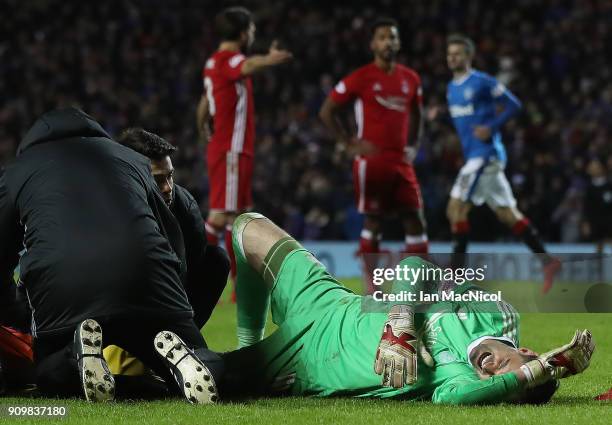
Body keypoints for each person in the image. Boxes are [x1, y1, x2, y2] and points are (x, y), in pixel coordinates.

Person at [221, 212, 595, 404]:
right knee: (246, 226)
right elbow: (415, 269)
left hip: (309, 361)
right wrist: (400, 325)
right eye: (508, 370)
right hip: (332, 301)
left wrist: (531, 374)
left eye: (496, 386)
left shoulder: (459, 380)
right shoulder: (498, 313)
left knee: (195, 374)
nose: (492, 374)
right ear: (524, 350)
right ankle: (245, 340)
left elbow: (456, 399)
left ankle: (243, 356)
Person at [0, 108, 223, 404]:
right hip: (148, 283)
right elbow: (169, 234)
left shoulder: (17, 171)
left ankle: (75, 357)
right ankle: (180, 359)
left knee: (47, 376)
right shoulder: (132, 160)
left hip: (67, 293)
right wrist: (174, 305)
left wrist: (18, 315)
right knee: (201, 357)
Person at [319, 18, 428, 294]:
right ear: (373, 44)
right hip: (372, 162)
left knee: (415, 218)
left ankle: (418, 288)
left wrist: (413, 145)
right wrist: (348, 143)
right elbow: (327, 110)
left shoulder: (410, 79)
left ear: (399, 42)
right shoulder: (362, 77)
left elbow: (418, 114)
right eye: (382, 37)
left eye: (392, 37)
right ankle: (372, 288)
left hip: (401, 161)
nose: (388, 42)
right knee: (374, 221)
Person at [444, 34, 560, 292]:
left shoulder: (482, 82)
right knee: (508, 215)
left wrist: (491, 127)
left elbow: (513, 104)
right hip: (475, 156)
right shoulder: (450, 89)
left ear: (468, 56)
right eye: (449, 54)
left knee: (455, 209)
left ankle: (454, 278)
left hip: (485, 155)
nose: (452, 57)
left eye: (458, 53)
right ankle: (548, 261)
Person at [197, 6, 292, 300]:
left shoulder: (213, 63)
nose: (253, 35)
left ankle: (238, 287)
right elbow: (247, 66)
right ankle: (192, 276)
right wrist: (270, 60)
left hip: (226, 149)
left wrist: (203, 128)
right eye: (251, 30)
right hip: (232, 151)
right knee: (224, 216)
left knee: (235, 216)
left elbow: (204, 102)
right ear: (242, 33)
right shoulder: (230, 59)